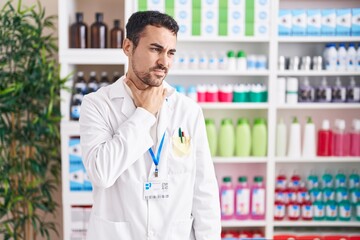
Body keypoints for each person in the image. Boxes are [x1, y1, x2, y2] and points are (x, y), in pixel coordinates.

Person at [79, 10, 221, 240]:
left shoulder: (188, 110)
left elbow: (204, 191)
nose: (164, 62)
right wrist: (144, 114)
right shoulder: (97, 105)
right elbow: (102, 173)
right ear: (128, 47)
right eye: (155, 49)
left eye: (170, 52)